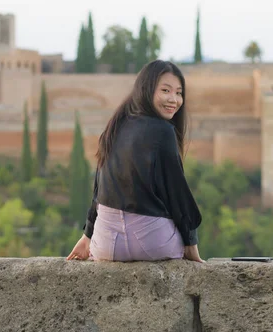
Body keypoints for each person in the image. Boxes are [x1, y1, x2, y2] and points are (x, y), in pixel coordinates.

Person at [66, 60, 203, 263]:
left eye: (179, 93)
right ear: (146, 89)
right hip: (151, 243)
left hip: (106, 245)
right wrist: (191, 245)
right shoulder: (163, 131)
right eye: (166, 90)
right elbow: (177, 193)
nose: (174, 99)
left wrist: (87, 236)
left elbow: (99, 189)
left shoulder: (114, 125)